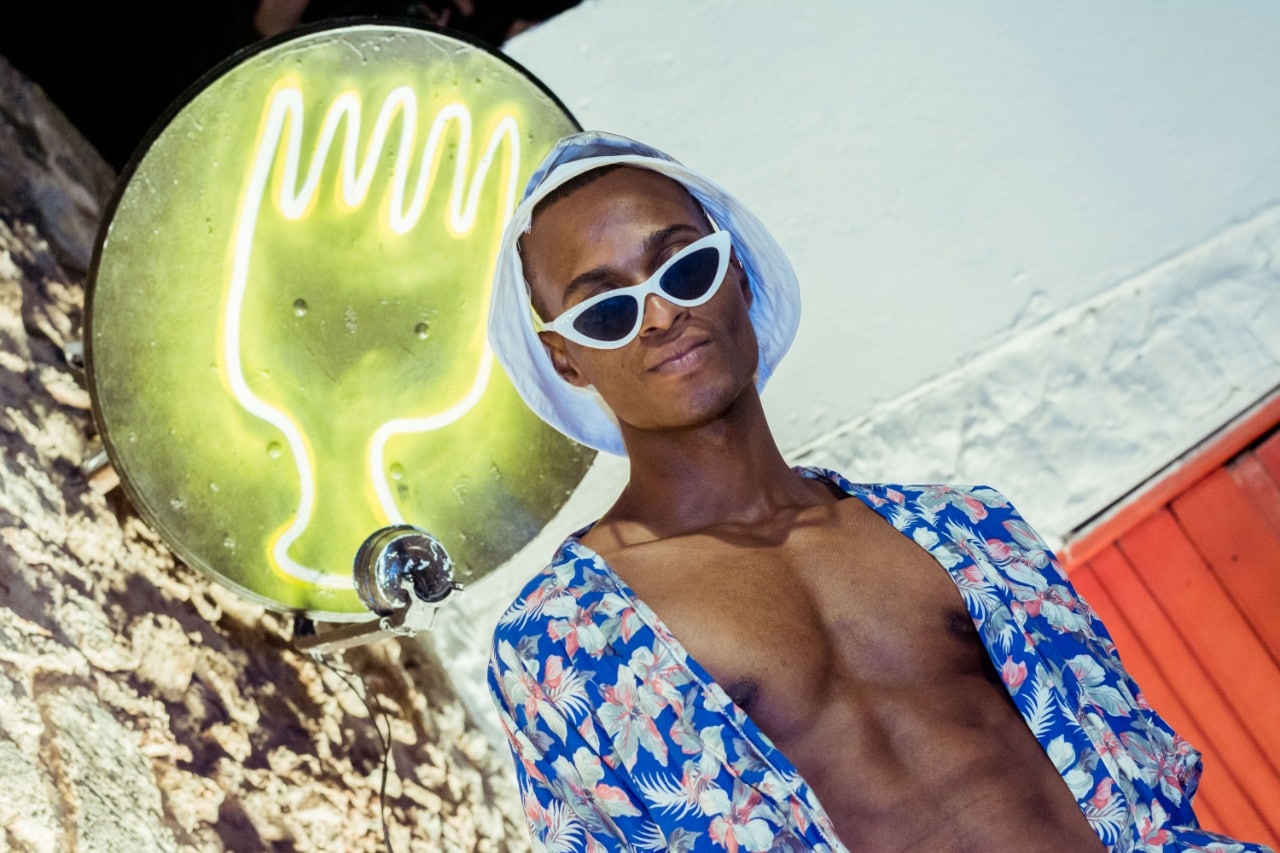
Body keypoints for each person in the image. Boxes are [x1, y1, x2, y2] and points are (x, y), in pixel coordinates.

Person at [484, 131, 1273, 853]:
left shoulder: (966, 527)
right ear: (565, 358)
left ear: (738, 274)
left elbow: (1135, 765)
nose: (660, 313)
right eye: (606, 309)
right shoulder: (565, 640)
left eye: (684, 267)